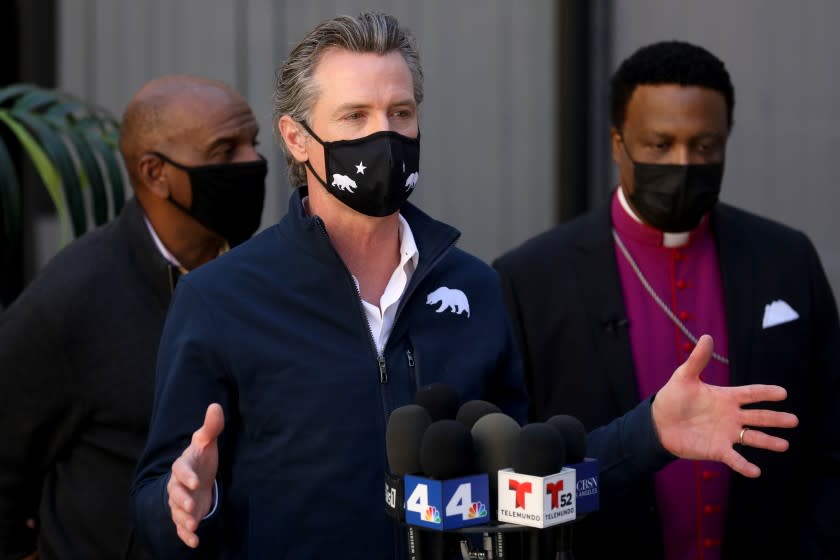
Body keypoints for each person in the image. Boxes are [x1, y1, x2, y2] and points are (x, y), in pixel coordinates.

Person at [130, 16, 797, 559]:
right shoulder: (221, 299)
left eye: (400, 112)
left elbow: (518, 487)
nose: (384, 136)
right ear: (296, 140)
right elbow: (156, 501)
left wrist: (648, 431)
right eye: (355, 117)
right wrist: (190, 503)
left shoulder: (474, 288)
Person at [494, 40, 840, 559]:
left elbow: (833, 440)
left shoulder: (786, 259)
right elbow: (513, 484)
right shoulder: (530, 280)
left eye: (704, 146)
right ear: (618, 143)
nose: (683, 163)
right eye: (659, 145)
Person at [0, 75, 266, 559]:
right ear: (154, 173)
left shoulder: (264, 274)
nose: (253, 163)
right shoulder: (71, 300)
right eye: (225, 151)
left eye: (253, 145)